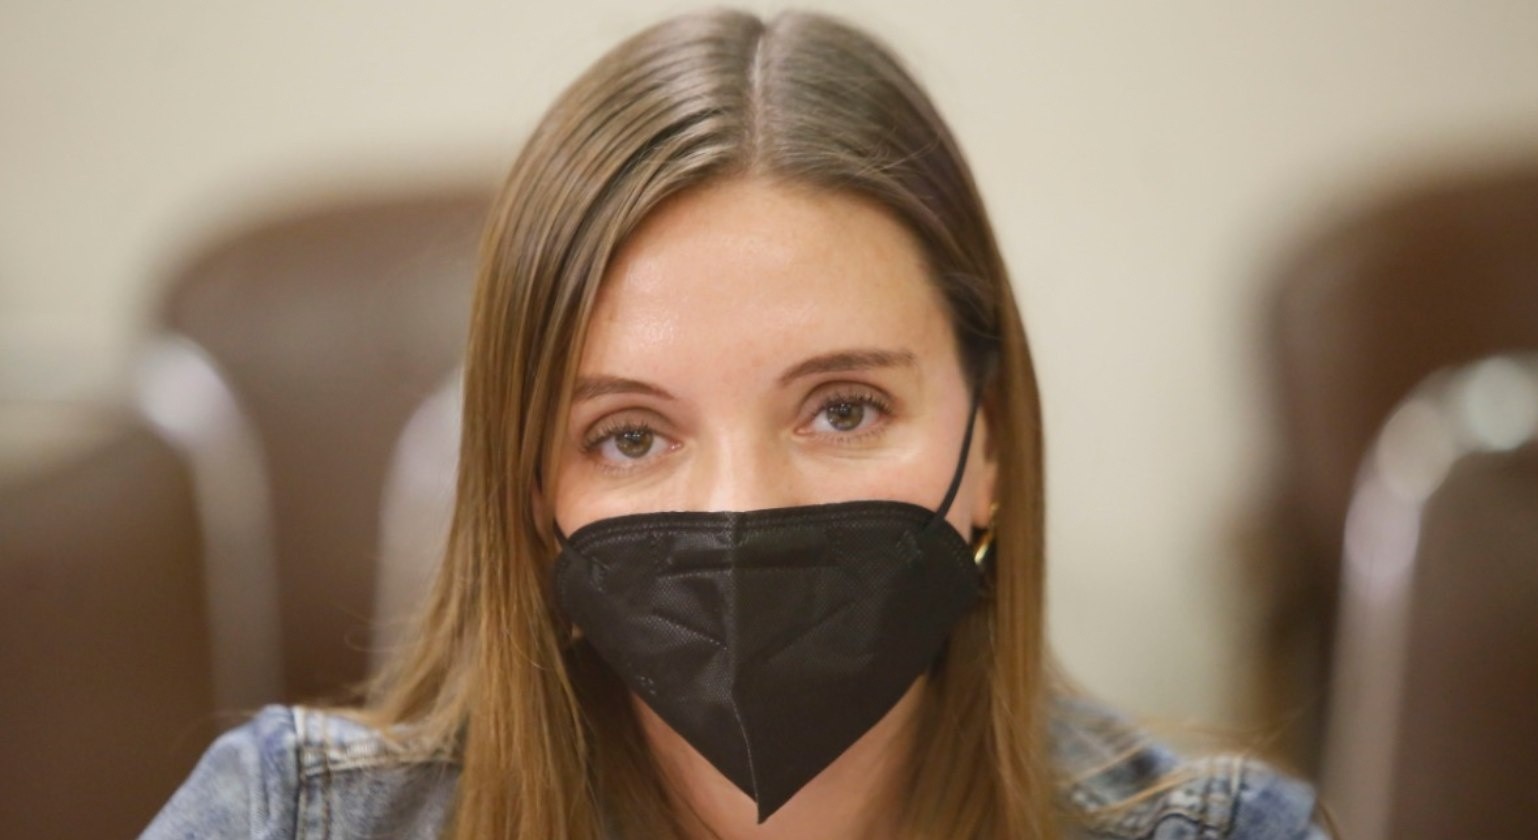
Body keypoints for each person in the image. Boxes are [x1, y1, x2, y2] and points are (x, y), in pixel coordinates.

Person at [143, 8, 1327, 839]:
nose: (739, 506)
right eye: (630, 435)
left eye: (843, 409)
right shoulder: (285, 820)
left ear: (995, 444)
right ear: (531, 492)